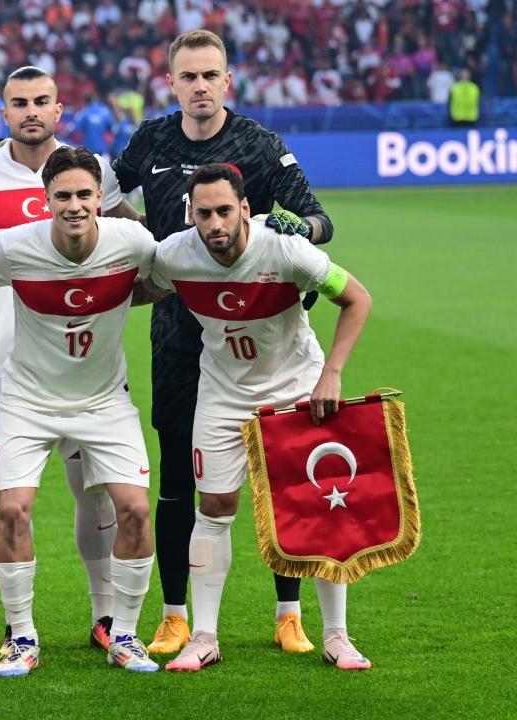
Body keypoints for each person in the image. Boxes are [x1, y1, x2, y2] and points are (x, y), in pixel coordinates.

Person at [111, 29, 334, 657]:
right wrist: (143, 236)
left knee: (283, 477)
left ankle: (289, 612)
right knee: (180, 477)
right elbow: (102, 191)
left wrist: (291, 229)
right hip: (178, 335)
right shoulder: (151, 141)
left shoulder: (258, 145)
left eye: (211, 75)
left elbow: (319, 220)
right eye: (189, 76)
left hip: (258, 339)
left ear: (227, 81)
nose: (200, 86)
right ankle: (175, 614)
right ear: (171, 83)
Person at [143, 163, 373, 672]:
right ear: (190, 214)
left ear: (245, 208)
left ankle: (336, 635)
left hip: (296, 390)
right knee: (214, 506)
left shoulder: (286, 249)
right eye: (204, 213)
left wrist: (332, 374)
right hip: (222, 396)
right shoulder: (175, 254)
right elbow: (139, 286)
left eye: (225, 210)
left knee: (317, 506)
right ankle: (204, 637)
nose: (215, 223)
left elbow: (357, 299)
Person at [0, 65, 143, 650]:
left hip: (86, 364)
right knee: (6, 497)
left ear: (59, 109)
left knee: (96, 491)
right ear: (3, 112)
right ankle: (16, 625)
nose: (30, 111)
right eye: (19, 102)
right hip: (5, 361)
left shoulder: (92, 170)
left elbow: (131, 241)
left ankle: (106, 616)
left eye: (41, 101)